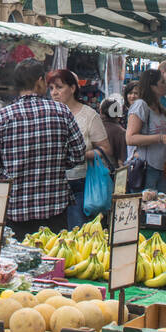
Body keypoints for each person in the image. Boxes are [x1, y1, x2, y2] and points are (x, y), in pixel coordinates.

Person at [0, 57, 85, 242]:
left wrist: (8, 167)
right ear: (40, 81)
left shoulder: (0, 117)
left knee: (17, 265)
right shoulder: (62, 112)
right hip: (54, 208)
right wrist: (58, 163)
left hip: (15, 209)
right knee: (53, 263)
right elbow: (78, 155)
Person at [47, 68, 112, 228]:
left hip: (79, 184)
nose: (54, 93)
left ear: (73, 88)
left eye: (59, 87)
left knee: (77, 233)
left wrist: (81, 155)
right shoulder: (47, 114)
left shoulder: (89, 116)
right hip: (52, 184)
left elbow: (105, 149)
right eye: (51, 88)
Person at [126, 69, 166, 192]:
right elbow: (130, 138)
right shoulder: (141, 105)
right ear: (152, 86)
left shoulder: (160, 108)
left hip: (160, 168)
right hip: (145, 169)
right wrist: (161, 138)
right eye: (162, 82)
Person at [99, 94, 128, 168]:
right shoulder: (121, 132)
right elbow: (122, 160)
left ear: (101, 111)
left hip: (94, 170)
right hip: (111, 172)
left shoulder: (95, 126)